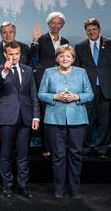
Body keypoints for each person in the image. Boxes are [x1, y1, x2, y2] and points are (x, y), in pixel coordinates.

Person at [38, 45, 93, 199]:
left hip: (78, 120)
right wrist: (55, 96)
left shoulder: (81, 72)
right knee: (58, 156)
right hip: (55, 120)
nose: (65, 59)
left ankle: (75, 190)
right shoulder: (49, 72)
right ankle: (59, 189)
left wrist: (77, 97)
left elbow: (90, 94)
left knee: (76, 155)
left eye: (68, 56)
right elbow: (41, 94)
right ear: (57, 58)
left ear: (73, 59)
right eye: (62, 56)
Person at [0, 41, 40, 198]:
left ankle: (23, 185)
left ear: (20, 54)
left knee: (23, 154)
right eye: (10, 54)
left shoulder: (27, 70)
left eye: (16, 54)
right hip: (6, 117)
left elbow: (33, 94)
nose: (14, 57)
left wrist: (35, 116)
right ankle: (7, 186)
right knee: (6, 154)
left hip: (25, 117)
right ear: (5, 55)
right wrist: (5, 71)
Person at [74, 18, 111, 160]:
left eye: (94, 29)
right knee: (87, 121)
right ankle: (86, 148)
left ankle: (101, 149)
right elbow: (77, 69)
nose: (92, 32)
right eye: (89, 30)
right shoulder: (80, 46)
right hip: (88, 90)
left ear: (99, 29)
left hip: (106, 88)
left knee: (104, 122)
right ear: (85, 31)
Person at [31, 11, 69, 158]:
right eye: (53, 22)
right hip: (44, 81)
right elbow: (33, 55)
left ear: (62, 25)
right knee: (46, 116)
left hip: (61, 81)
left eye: (59, 23)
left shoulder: (65, 41)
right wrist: (34, 41)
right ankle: (46, 147)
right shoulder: (41, 39)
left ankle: (59, 148)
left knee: (59, 116)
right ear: (48, 24)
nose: (55, 25)